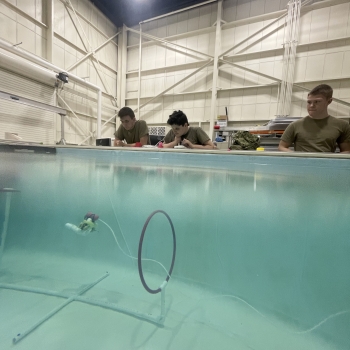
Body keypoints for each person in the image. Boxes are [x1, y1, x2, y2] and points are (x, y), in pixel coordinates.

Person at [278, 84, 350, 153]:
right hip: (301, 164)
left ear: (329, 101)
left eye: (317, 102)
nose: (312, 105)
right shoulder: (295, 125)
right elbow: (282, 147)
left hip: (326, 164)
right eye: (309, 102)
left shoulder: (342, 125)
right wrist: (298, 157)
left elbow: (346, 151)